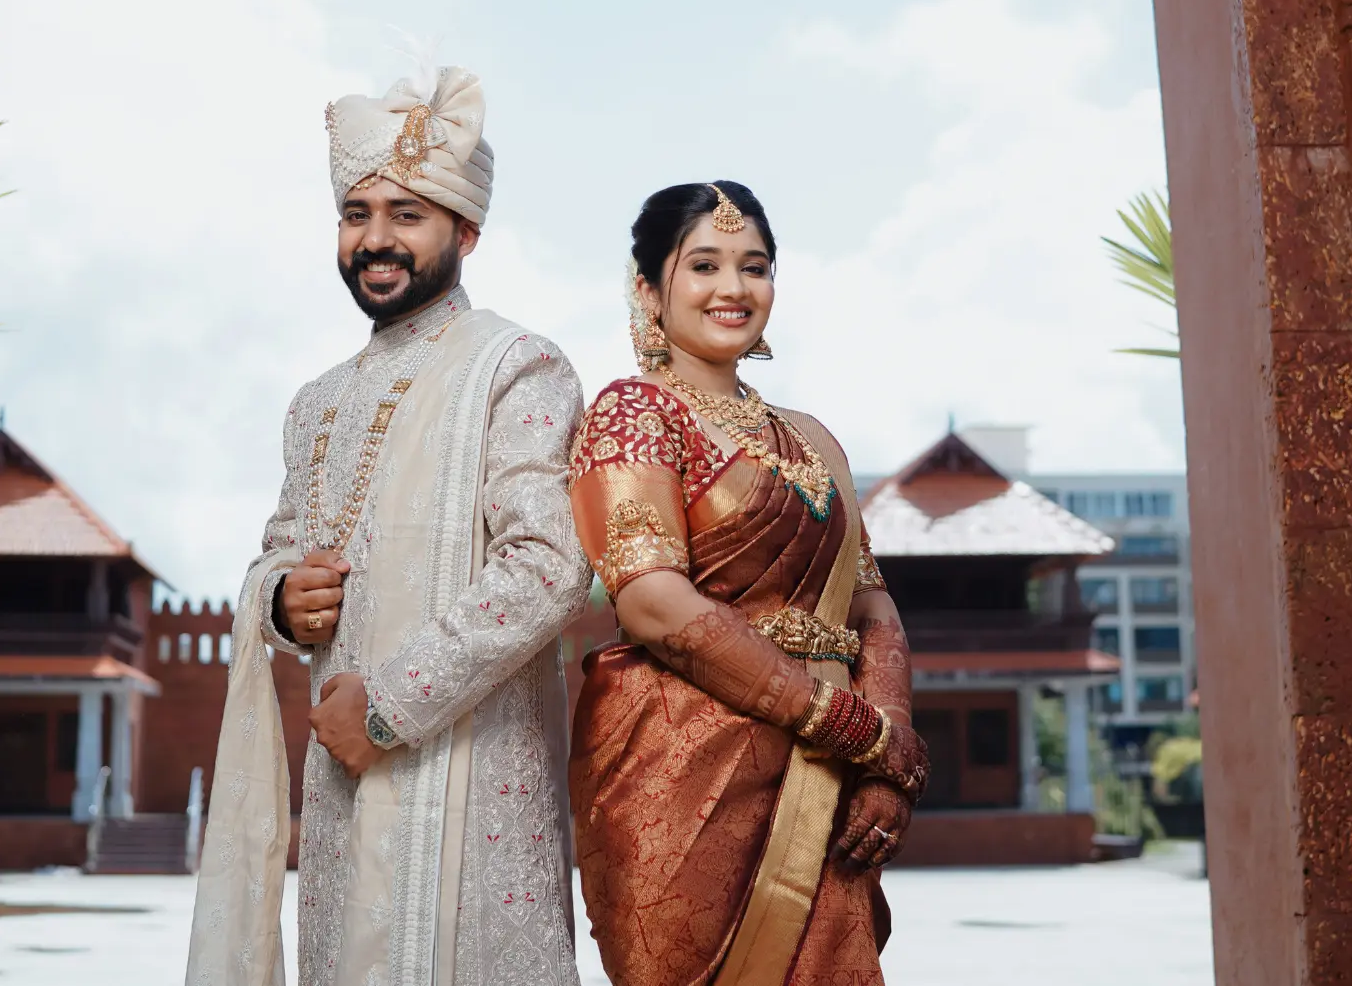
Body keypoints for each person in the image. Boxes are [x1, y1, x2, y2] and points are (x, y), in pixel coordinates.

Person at [187, 65, 592, 986]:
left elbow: (549, 564)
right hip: (345, 788)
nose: (376, 239)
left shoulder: (516, 366)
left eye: (407, 214)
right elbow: (278, 553)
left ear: (466, 230)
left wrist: (387, 705)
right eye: (356, 213)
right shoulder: (315, 403)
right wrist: (283, 601)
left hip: (473, 784)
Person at [567, 181, 928, 986]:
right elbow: (653, 602)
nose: (733, 287)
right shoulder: (633, 412)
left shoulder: (812, 439)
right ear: (648, 290)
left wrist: (886, 754)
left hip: (827, 780)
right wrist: (842, 721)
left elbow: (870, 601)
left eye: (753, 266)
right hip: (681, 777)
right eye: (704, 264)